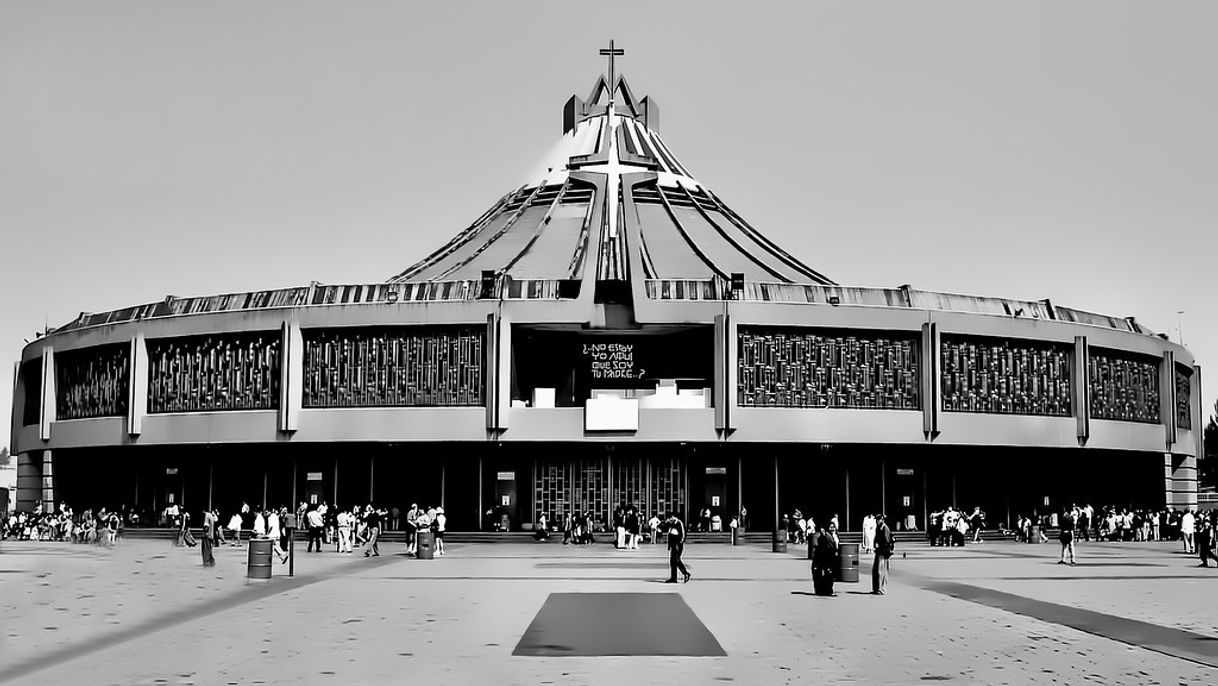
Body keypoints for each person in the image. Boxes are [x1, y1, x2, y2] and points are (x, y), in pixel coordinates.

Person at [811, 525, 839, 596]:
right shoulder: (825, 536)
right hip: (825, 557)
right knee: (827, 573)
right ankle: (826, 590)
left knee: (820, 574)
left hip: (822, 557)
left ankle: (821, 590)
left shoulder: (828, 536)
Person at [664, 511, 691, 583]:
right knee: (672, 562)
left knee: (677, 560)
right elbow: (663, 528)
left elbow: (683, 534)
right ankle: (673, 578)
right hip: (673, 545)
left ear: (674, 517)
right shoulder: (671, 524)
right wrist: (666, 522)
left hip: (678, 545)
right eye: (669, 518)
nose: (670, 519)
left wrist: (680, 542)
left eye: (671, 517)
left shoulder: (679, 523)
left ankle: (685, 573)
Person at [872, 514, 894, 595]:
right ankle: (877, 588)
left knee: (882, 571)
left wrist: (884, 550)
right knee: (877, 570)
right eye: (877, 520)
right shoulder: (878, 528)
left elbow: (887, 541)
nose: (877, 521)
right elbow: (876, 538)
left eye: (879, 519)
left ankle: (882, 588)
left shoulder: (885, 528)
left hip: (884, 552)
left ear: (882, 520)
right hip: (879, 551)